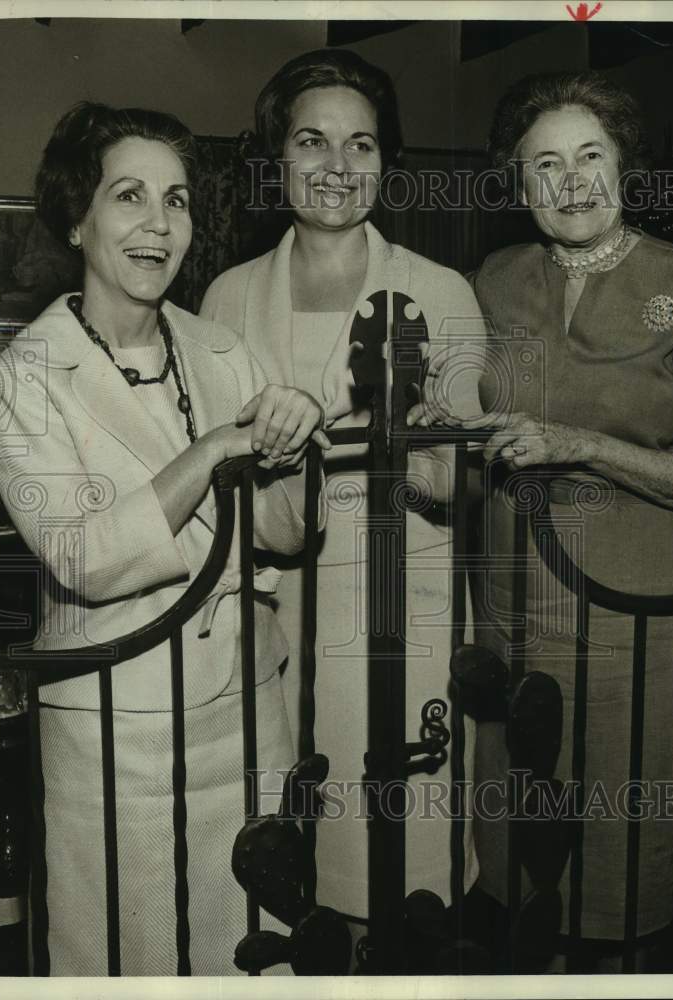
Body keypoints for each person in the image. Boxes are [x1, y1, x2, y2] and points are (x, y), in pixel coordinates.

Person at [0, 102, 330, 976]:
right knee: (132, 956)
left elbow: (286, 534)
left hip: (246, 712)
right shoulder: (24, 377)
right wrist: (213, 449)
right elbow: (86, 558)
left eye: (175, 200)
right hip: (118, 728)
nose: (158, 224)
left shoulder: (222, 353)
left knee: (251, 951)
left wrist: (292, 448)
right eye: (128, 196)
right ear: (77, 219)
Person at [200, 49, 487, 929]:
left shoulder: (439, 291)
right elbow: (216, 474)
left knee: (405, 872)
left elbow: (465, 480)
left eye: (360, 144)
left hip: (405, 610)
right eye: (310, 141)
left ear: (385, 162)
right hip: (279, 611)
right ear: (276, 157)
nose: (336, 165)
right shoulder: (227, 298)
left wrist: (424, 460)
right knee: (295, 870)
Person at [462, 71, 673, 969]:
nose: (571, 181)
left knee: (614, 865)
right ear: (517, 182)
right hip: (507, 614)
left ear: (624, 166)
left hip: (630, 619)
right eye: (545, 164)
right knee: (511, 859)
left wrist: (582, 446)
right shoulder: (492, 279)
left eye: (590, 156)